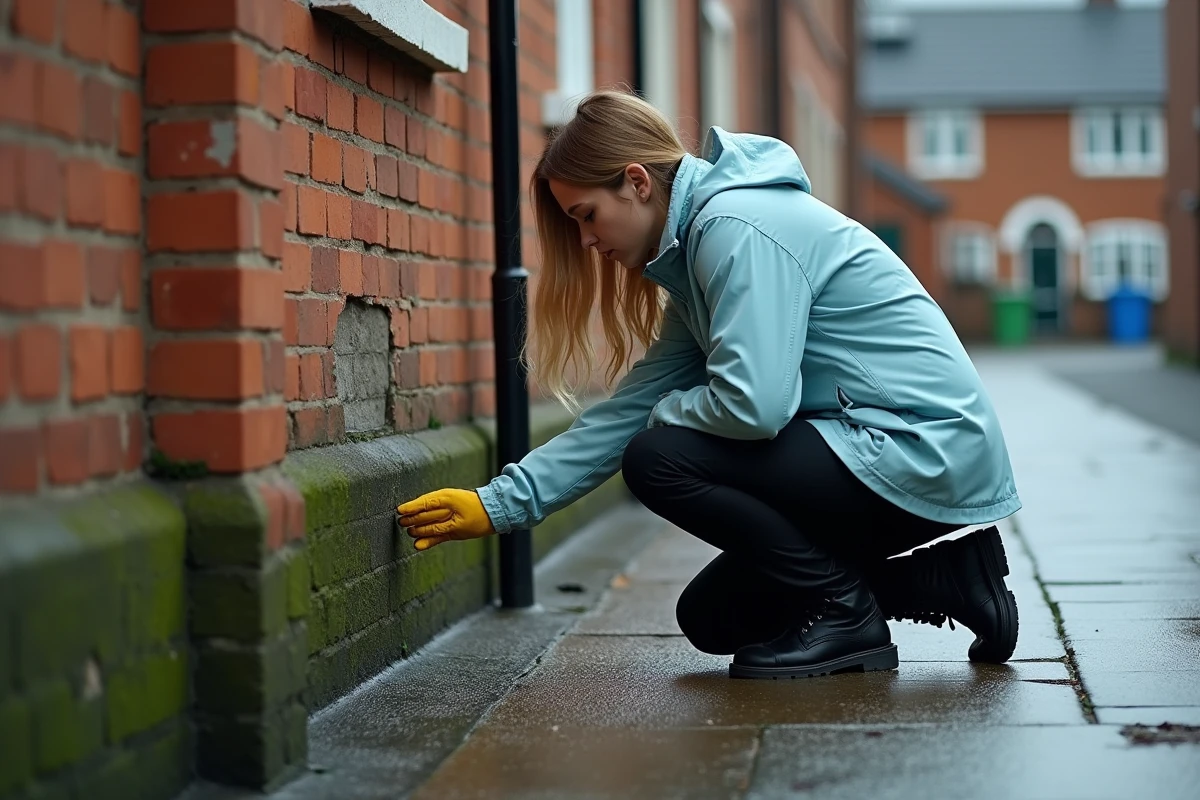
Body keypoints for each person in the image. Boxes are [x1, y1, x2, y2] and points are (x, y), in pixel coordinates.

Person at [397, 90, 1021, 680]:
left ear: (637, 182)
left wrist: (668, 414)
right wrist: (500, 503)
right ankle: (950, 579)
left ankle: (847, 617)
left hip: (921, 448)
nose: (586, 241)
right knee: (716, 616)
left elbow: (754, 407)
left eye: (587, 216)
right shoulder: (699, 257)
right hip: (874, 451)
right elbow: (629, 410)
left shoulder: (736, 229)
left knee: (658, 458)